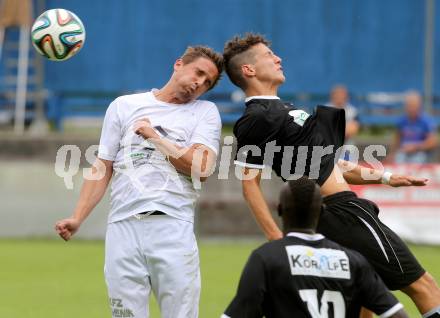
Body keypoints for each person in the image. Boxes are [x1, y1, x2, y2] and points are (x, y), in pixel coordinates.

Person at [222, 33, 440, 317]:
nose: (278, 59)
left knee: (363, 303)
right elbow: (249, 184)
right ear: (248, 70)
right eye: (268, 56)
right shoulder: (257, 117)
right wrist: (276, 237)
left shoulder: (281, 111)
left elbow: (330, 166)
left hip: (331, 214)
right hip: (343, 213)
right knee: (424, 286)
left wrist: (387, 178)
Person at [55, 46, 223, 318]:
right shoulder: (124, 106)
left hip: (172, 226)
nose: (199, 83)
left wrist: (153, 136)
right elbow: (103, 166)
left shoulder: (205, 112)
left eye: (207, 83)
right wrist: (78, 217)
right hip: (123, 227)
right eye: (199, 73)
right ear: (178, 64)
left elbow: (201, 168)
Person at [222, 177, 409, 318]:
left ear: (279, 210)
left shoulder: (266, 258)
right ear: (321, 211)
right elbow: (397, 314)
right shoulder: (354, 261)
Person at [387, 91, 437, 163]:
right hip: (403, 152)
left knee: (417, 160)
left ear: (419, 106)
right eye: (409, 106)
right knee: (399, 159)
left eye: (413, 106)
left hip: (420, 153)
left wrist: (415, 147)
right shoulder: (402, 121)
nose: (411, 109)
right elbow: (397, 139)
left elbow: (432, 142)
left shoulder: (426, 121)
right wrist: (392, 154)